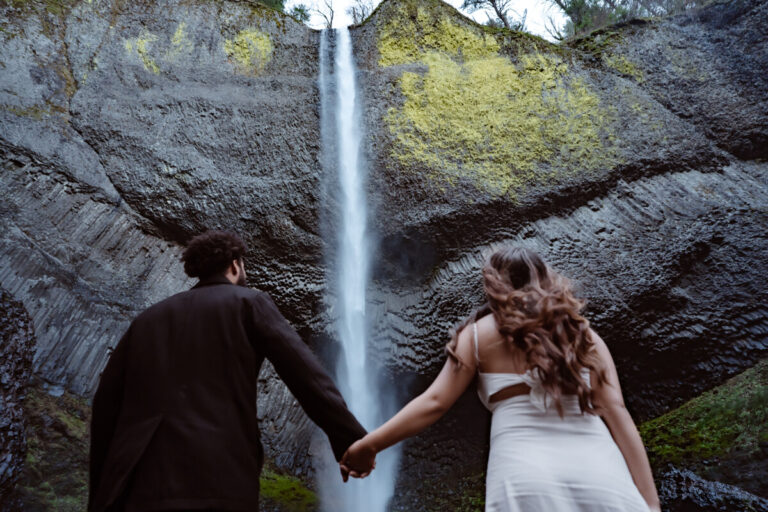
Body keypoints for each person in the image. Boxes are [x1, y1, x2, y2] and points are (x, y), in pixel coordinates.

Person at [341, 246, 661, 511]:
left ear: (493, 284)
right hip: (602, 476)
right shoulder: (584, 336)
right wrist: (651, 504)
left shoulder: (477, 337)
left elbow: (434, 403)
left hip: (524, 478)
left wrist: (368, 445)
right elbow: (618, 417)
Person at [89, 230, 368, 512]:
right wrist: (353, 440)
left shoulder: (147, 320)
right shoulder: (249, 303)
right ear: (235, 264)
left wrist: (102, 495)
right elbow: (307, 377)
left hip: (137, 487)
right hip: (216, 478)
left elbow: (105, 409)